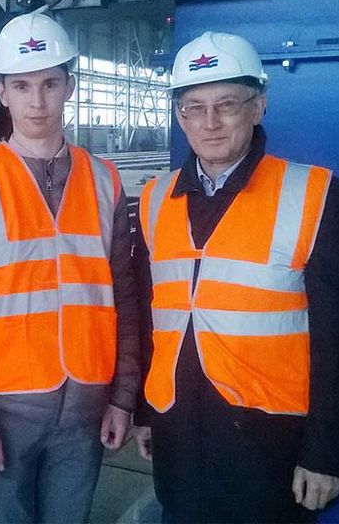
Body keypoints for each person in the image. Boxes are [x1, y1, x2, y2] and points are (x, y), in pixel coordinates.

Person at [0, 12, 140, 523]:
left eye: (50, 84)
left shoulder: (106, 181)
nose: (37, 101)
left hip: (87, 406)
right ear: (1, 92)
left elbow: (124, 299)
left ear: (69, 86)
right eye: (22, 86)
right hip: (3, 412)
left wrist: (122, 398)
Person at [134, 31, 339, 522]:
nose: (209, 123)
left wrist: (326, 451)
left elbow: (335, 335)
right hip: (178, 436)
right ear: (180, 116)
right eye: (195, 107)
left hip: (271, 446)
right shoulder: (155, 199)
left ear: (258, 107)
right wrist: (145, 411)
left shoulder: (315, 195)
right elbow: (149, 317)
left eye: (226, 104)